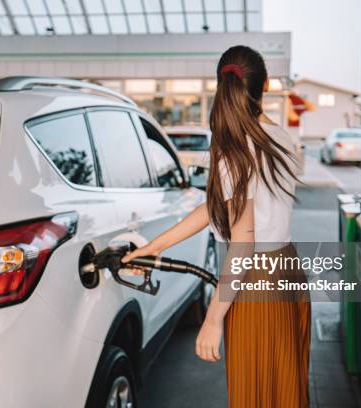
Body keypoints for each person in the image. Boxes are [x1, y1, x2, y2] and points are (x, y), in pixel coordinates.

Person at [123, 45, 311, 408]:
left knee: (255, 393)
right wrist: (155, 246)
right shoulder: (281, 140)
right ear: (266, 85)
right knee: (286, 385)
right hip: (287, 267)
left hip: (255, 279)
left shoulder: (234, 151)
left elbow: (242, 245)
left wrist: (212, 319)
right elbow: (215, 208)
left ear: (220, 85)